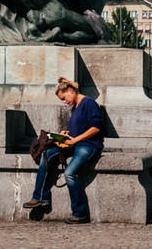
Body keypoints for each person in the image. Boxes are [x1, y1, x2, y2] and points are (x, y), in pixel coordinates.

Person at [23, 77, 104, 224]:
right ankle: (40, 197)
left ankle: (79, 214)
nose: (64, 102)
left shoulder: (89, 103)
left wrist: (75, 140)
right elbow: (81, 127)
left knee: (70, 173)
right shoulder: (76, 106)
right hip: (75, 144)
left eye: (64, 98)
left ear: (70, 90)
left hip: (89, 146)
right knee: (46, 155)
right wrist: (66, 134)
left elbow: (95, 128)